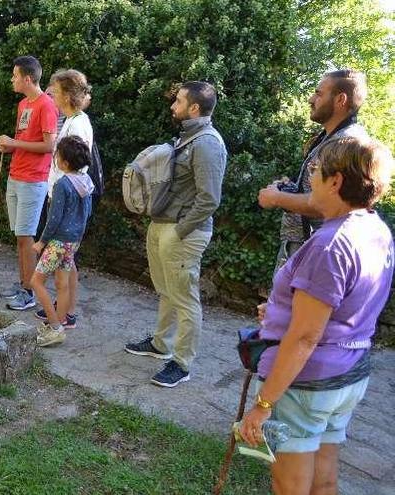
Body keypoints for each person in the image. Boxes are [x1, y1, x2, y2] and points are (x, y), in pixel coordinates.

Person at [239, 137, 394, 495]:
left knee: (289, 487)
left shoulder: (330, 244)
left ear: (336, 181)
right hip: (349, 372)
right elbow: (347, 302)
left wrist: (263, 406)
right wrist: (280, 312)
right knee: (323, 481)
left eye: (314, 170)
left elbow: (306, 337)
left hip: (308, 383)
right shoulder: (375, 229)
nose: (310, 177)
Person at [124, 81, 227, 387]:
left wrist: (179, 231)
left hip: (183, 231)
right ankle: (160, 344)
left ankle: (181, 363)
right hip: (164, 224)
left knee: (184, 297)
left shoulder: (207, 143)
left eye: (179, 101)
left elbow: (209, 199)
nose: (173, 105)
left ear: (194, 108)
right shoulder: (189, 137)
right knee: (167, 290)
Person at [258, 69, 369, 272]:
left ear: (340, 100)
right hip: (306, 246)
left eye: (318, 93)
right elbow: (318, 191)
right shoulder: (331, 138)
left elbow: (329, 204)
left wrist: (276, 198)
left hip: (319, 253)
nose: (311, 99)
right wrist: (289, 188)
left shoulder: (346, 143)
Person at [0, 55, 58, 310]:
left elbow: (49, 145)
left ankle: (29, 292)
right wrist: (9, 147)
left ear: (27, 78)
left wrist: (14, 143)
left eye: (15, 75)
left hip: (33, 180)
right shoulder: (23, 105)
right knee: (20, 236)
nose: (12, 79)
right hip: (16, 174)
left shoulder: (46, 105)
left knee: (26, 236)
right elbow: (25, 140)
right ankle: (24, 282)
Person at [34, 69, 94, 329]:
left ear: (68, 95)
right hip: (60, 195)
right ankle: (64, 310)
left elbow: (75, 165)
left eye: (56, 92)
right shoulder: (72, 119)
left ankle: (63, 314)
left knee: (62, 268)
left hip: (63, 200)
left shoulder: (78, 124)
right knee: (67, 265)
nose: (51, 95)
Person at [32, 135, 94, 347]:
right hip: (73, 241)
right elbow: (88, 213)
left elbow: (54, 218)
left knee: (36, 282)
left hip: (58, 242)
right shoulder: (86, 182)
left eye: (57, 155)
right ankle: (59, 324)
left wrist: (42, 242)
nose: (55, 158)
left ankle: (55, 327)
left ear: (64, 162)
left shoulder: (62, 184)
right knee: (62, 284)